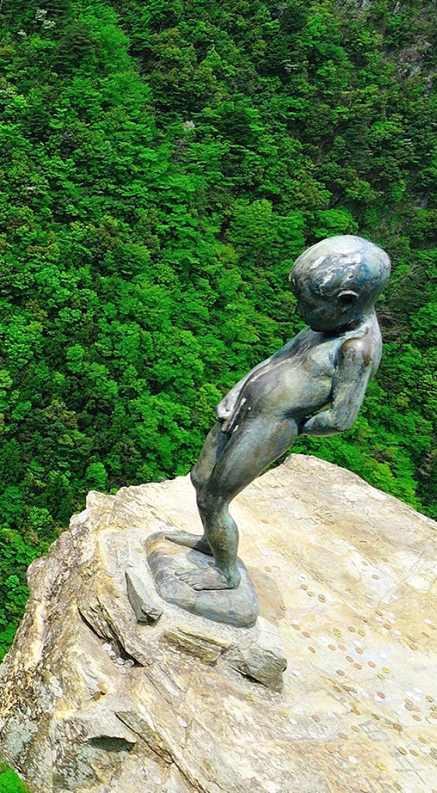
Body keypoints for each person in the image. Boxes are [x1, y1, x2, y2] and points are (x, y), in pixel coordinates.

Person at [162, 235, 391, 591]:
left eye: (308, 305)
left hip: (270, 426)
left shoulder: (355, 348)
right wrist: (237, 390)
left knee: (214, 498)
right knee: (201, 477)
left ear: (346, 302)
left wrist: (288, 424)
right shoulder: (326, 324)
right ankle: (211, 541)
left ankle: (225, 573)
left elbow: (341, 418)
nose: (300, 313)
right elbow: (277, 359)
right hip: (244, 409)